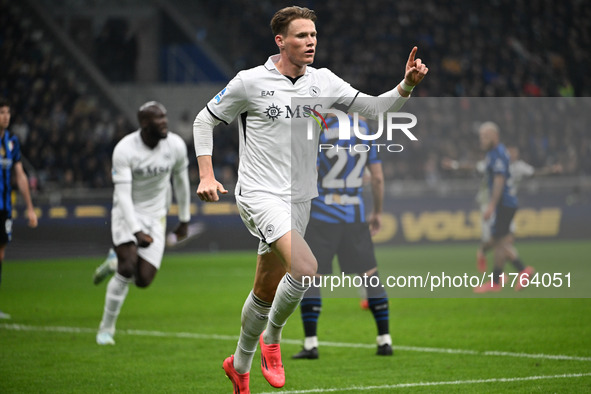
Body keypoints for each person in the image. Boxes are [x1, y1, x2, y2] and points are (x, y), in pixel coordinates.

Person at [192, 6, 427, 393]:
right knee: (305, 268)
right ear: (280, 41)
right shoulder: (249, 82)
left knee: (266, 289)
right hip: (259, 193)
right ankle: (272, 339)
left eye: (314, 35)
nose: (310, 42)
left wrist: (407, 85)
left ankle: (239, 365)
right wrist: (205, 173)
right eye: (301, 36)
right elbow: (205, 120)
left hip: (302, 199)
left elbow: (374, 108)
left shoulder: (324, 82)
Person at [292, 114, 392, 360]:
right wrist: (377, 212)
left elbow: (310, 172)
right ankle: (384, 340)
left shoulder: (319, 129)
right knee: (369, 273)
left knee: (311, 276)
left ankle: (311, 343)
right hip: (355, 212)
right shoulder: (365, 129)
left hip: (323, 214)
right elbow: (377, 178)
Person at [93, 101, 191, 345]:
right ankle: (106, 329)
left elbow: (181, 181)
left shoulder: (175, 145)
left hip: (156, 216)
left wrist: (184, 219)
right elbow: (123, 196)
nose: (165, 123)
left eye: (165, 118)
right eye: (159, 120)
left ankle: (113, 260)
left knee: (143, 279)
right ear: (145, 124)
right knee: (127, 268)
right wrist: (135, 230)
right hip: (127, 214)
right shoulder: (125, 150)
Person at [473, 122, 533, 293]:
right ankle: (496, 281)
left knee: (498, 241)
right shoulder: (494, 153)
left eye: (485, 137)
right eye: (480, 137)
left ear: (494, 136)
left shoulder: (497, 154)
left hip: (503, 204)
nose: (481, 140)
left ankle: (523, 270)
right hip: (505, 204)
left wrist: (492, 205)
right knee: (499, 242)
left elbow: (499, 180)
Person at [0, 98, 38, 320]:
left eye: (7, 112)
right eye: (1, 112)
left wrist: (30, 208)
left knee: (1, 253)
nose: (5, 116)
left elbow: (20, 175)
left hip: (4, 207)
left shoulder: (11, 142)